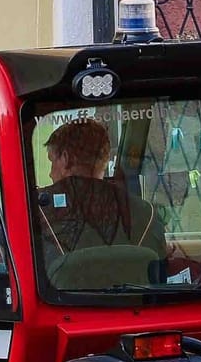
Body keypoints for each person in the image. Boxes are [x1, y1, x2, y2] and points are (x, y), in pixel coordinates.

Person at [36, 116, 167, 271]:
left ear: (65, 159)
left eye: (52, 161)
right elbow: (160, 274)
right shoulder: (147, 214)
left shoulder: (36, 210)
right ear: (104, 159)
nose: (51, 173)